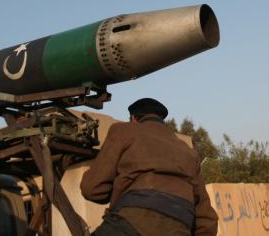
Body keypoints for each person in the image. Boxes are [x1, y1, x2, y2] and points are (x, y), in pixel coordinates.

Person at [80, 98, 218, 236]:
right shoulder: (188, 152)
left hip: (133, 220)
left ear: (133, 118)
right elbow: (206, 218)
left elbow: (92, 189)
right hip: (180, 226)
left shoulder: (124, 131)